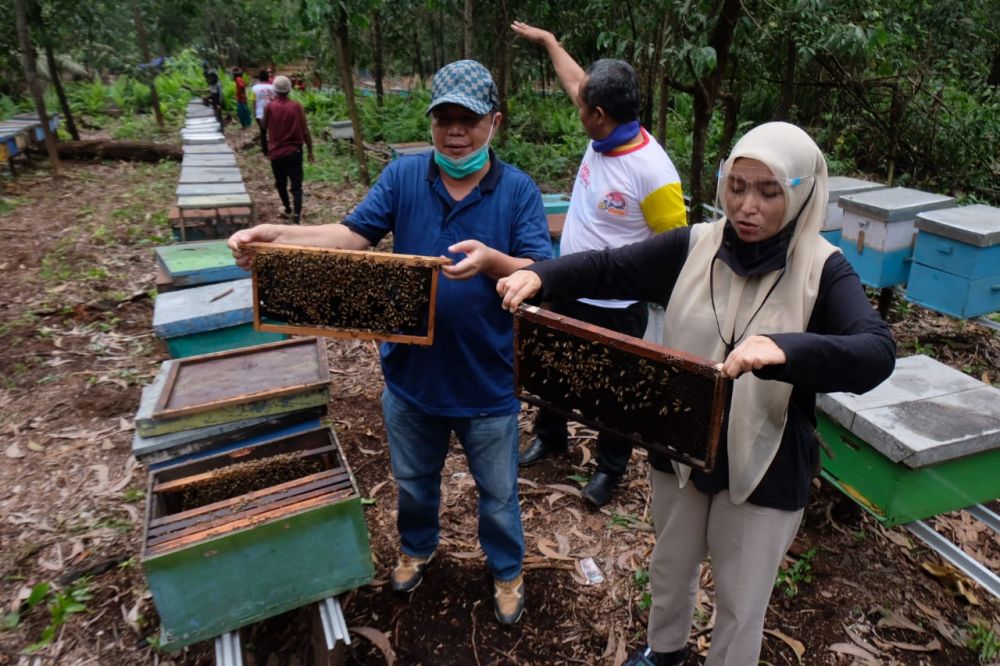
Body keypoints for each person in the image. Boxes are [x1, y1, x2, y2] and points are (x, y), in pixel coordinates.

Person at [497, 122, 895, 664]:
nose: (747, 206)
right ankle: (665, 651)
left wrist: (787, 351)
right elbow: (611, 268)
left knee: (740, 601)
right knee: (670, 566)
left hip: (765, 462)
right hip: (679, 445)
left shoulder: (823, 270)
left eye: (768, 191)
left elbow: (876, 351)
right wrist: (543, 275)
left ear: (801, 192)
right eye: (736, 186)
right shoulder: (693, 245)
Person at [229, 60, 552, 626]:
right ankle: (417, 547)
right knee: (414, 481)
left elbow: (539, 271)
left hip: (488, 380)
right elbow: (351, 236)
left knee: (498, 496)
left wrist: (490, 262)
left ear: (493, 123)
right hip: (411, 378)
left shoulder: (519, 191)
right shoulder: (405, 177)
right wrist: (280, 236)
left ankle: (506, 570)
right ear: (430, 122)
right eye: (444, 119)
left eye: (468, 120)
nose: (455, 132)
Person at [511, 22, 687, 507]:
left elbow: (676, 247)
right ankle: (551, 435)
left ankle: (610, 469)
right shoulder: (605, 129)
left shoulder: (654, 173)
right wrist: (551, 41)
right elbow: (575, 81)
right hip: (567, 283)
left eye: (583, 106)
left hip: (616, 302)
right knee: (552, 366)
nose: (577, 106)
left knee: (617, 388)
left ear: (601, 115)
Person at [263, 75, 314, 224]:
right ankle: (297, 217)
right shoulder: (296, 106)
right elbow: (305, 130)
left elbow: (264, 125)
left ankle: (287, 207)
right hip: (294, 151)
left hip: (276, 152)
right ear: (289, 90)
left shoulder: (269, 106)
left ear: (275, 90)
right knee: (296, 186)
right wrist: (310, 150)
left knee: (280, 183)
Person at [251, 70, 276, 155]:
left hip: (260, 114)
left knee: (263, 133)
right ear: (268, 78)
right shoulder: (273, 88)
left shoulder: (254, 88)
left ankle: (265, 151)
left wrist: (254, 113)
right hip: (272, 113)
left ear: (259, 78)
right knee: (272, 132)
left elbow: (254, 102)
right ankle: (274, 148)